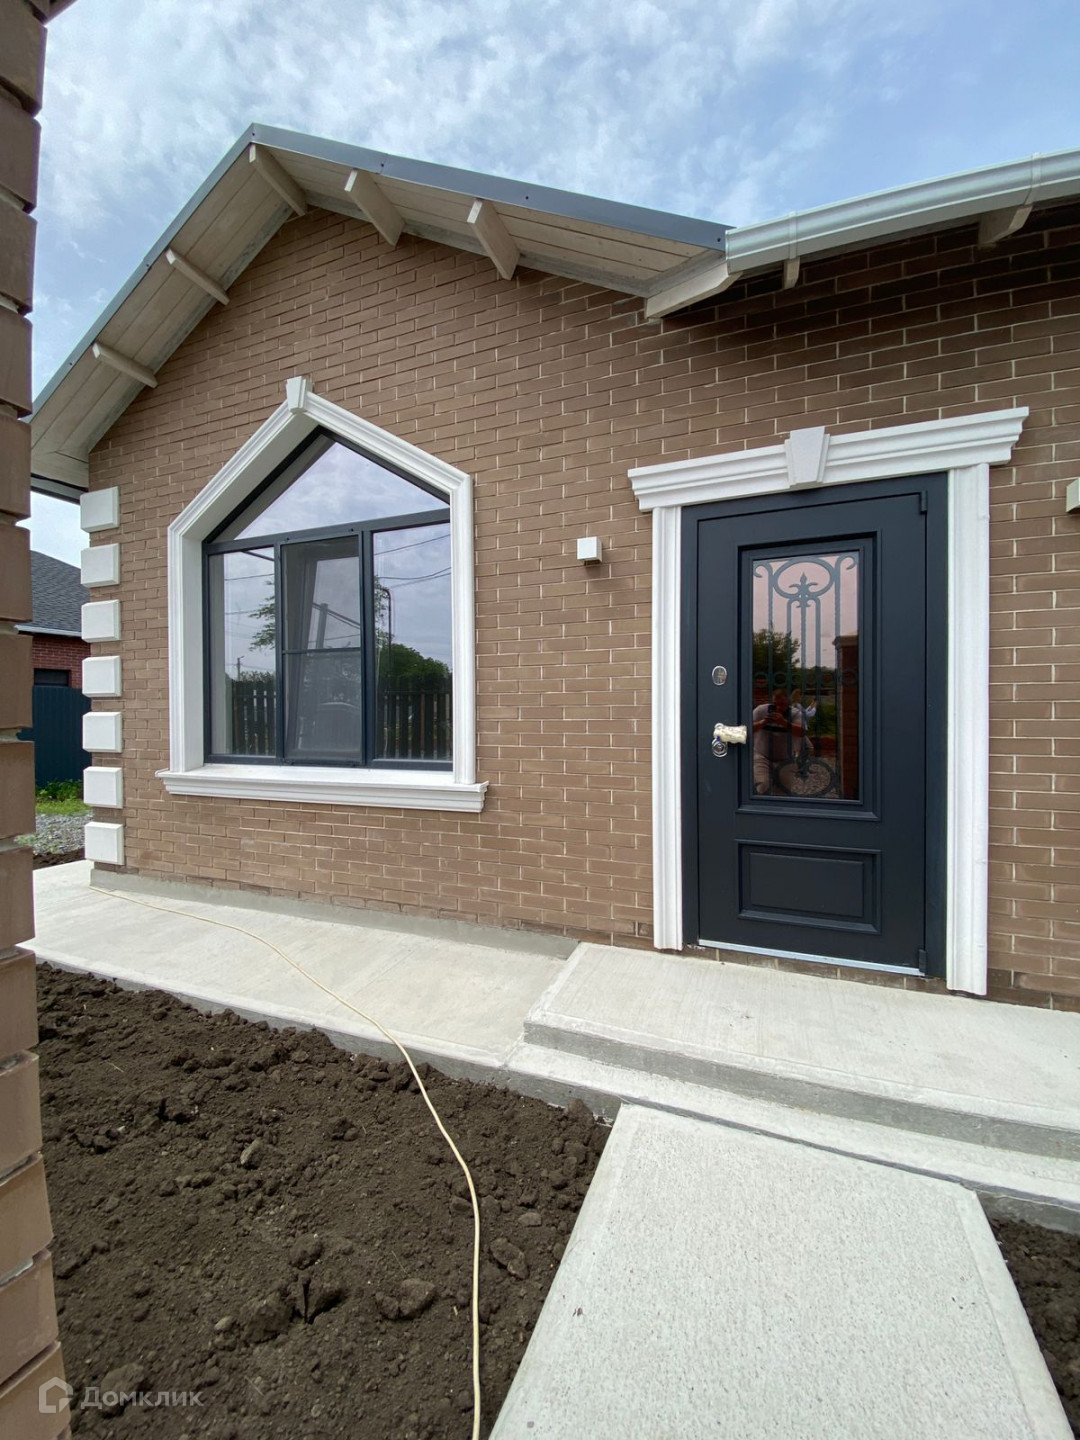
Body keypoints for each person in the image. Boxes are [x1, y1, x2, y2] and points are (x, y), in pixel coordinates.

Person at [752, 688, 805, 794]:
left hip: (786, 758)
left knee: (783, 791)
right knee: (762, 786)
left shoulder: (795, 713)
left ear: (787, 703)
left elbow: (801, 732)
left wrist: (784, 723)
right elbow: (748, 729)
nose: (779, 708)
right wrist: (763, 722)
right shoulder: (761, 710)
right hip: (762, 755)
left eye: (782, 704)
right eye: (776, 704)